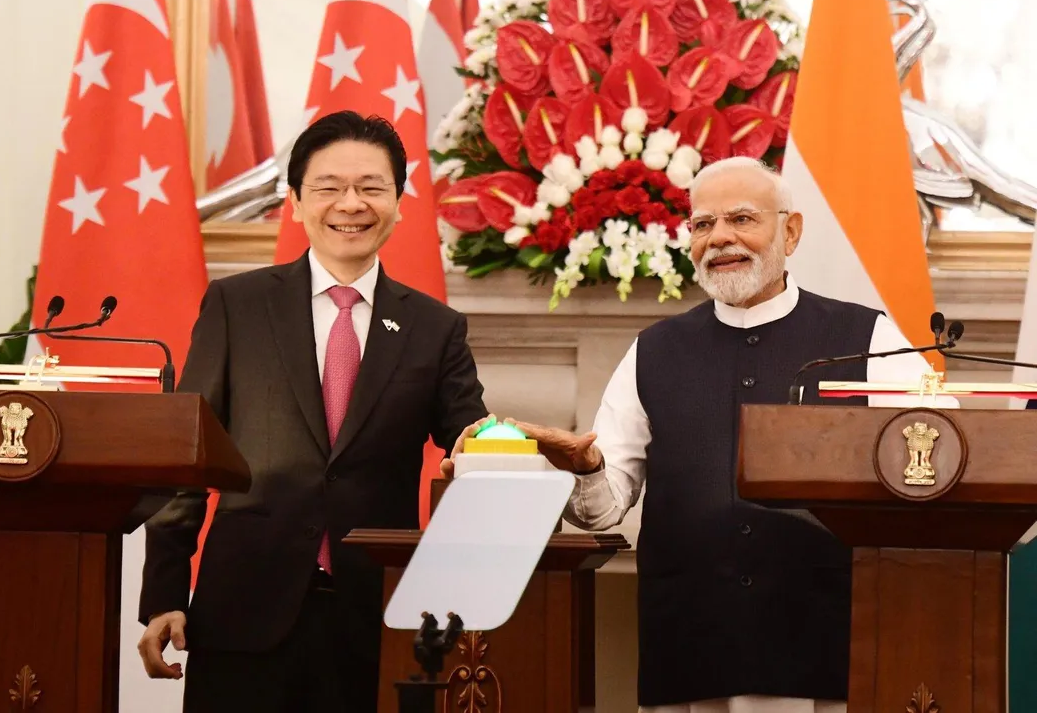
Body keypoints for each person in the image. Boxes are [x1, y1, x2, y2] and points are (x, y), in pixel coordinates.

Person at [446, 156, 958, 713]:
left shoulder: (866, 338)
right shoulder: (654, 351)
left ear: (790, 232)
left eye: (742, 219)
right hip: (691, 645)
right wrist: (582, 466)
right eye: (703, 224)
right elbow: (602, 508)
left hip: (823, 643)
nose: (720, 238)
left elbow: (946, 450)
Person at [136, 110, 490, 713]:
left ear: (399, 203)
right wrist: (165, 593)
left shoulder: (436, 328)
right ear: (296, 202)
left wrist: (517, 454)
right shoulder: (237, 306)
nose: (351, 204)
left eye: (371, 187)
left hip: (379, 617)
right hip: (245, 610)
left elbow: (472, 446)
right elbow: (186, 459)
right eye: (329, 187)